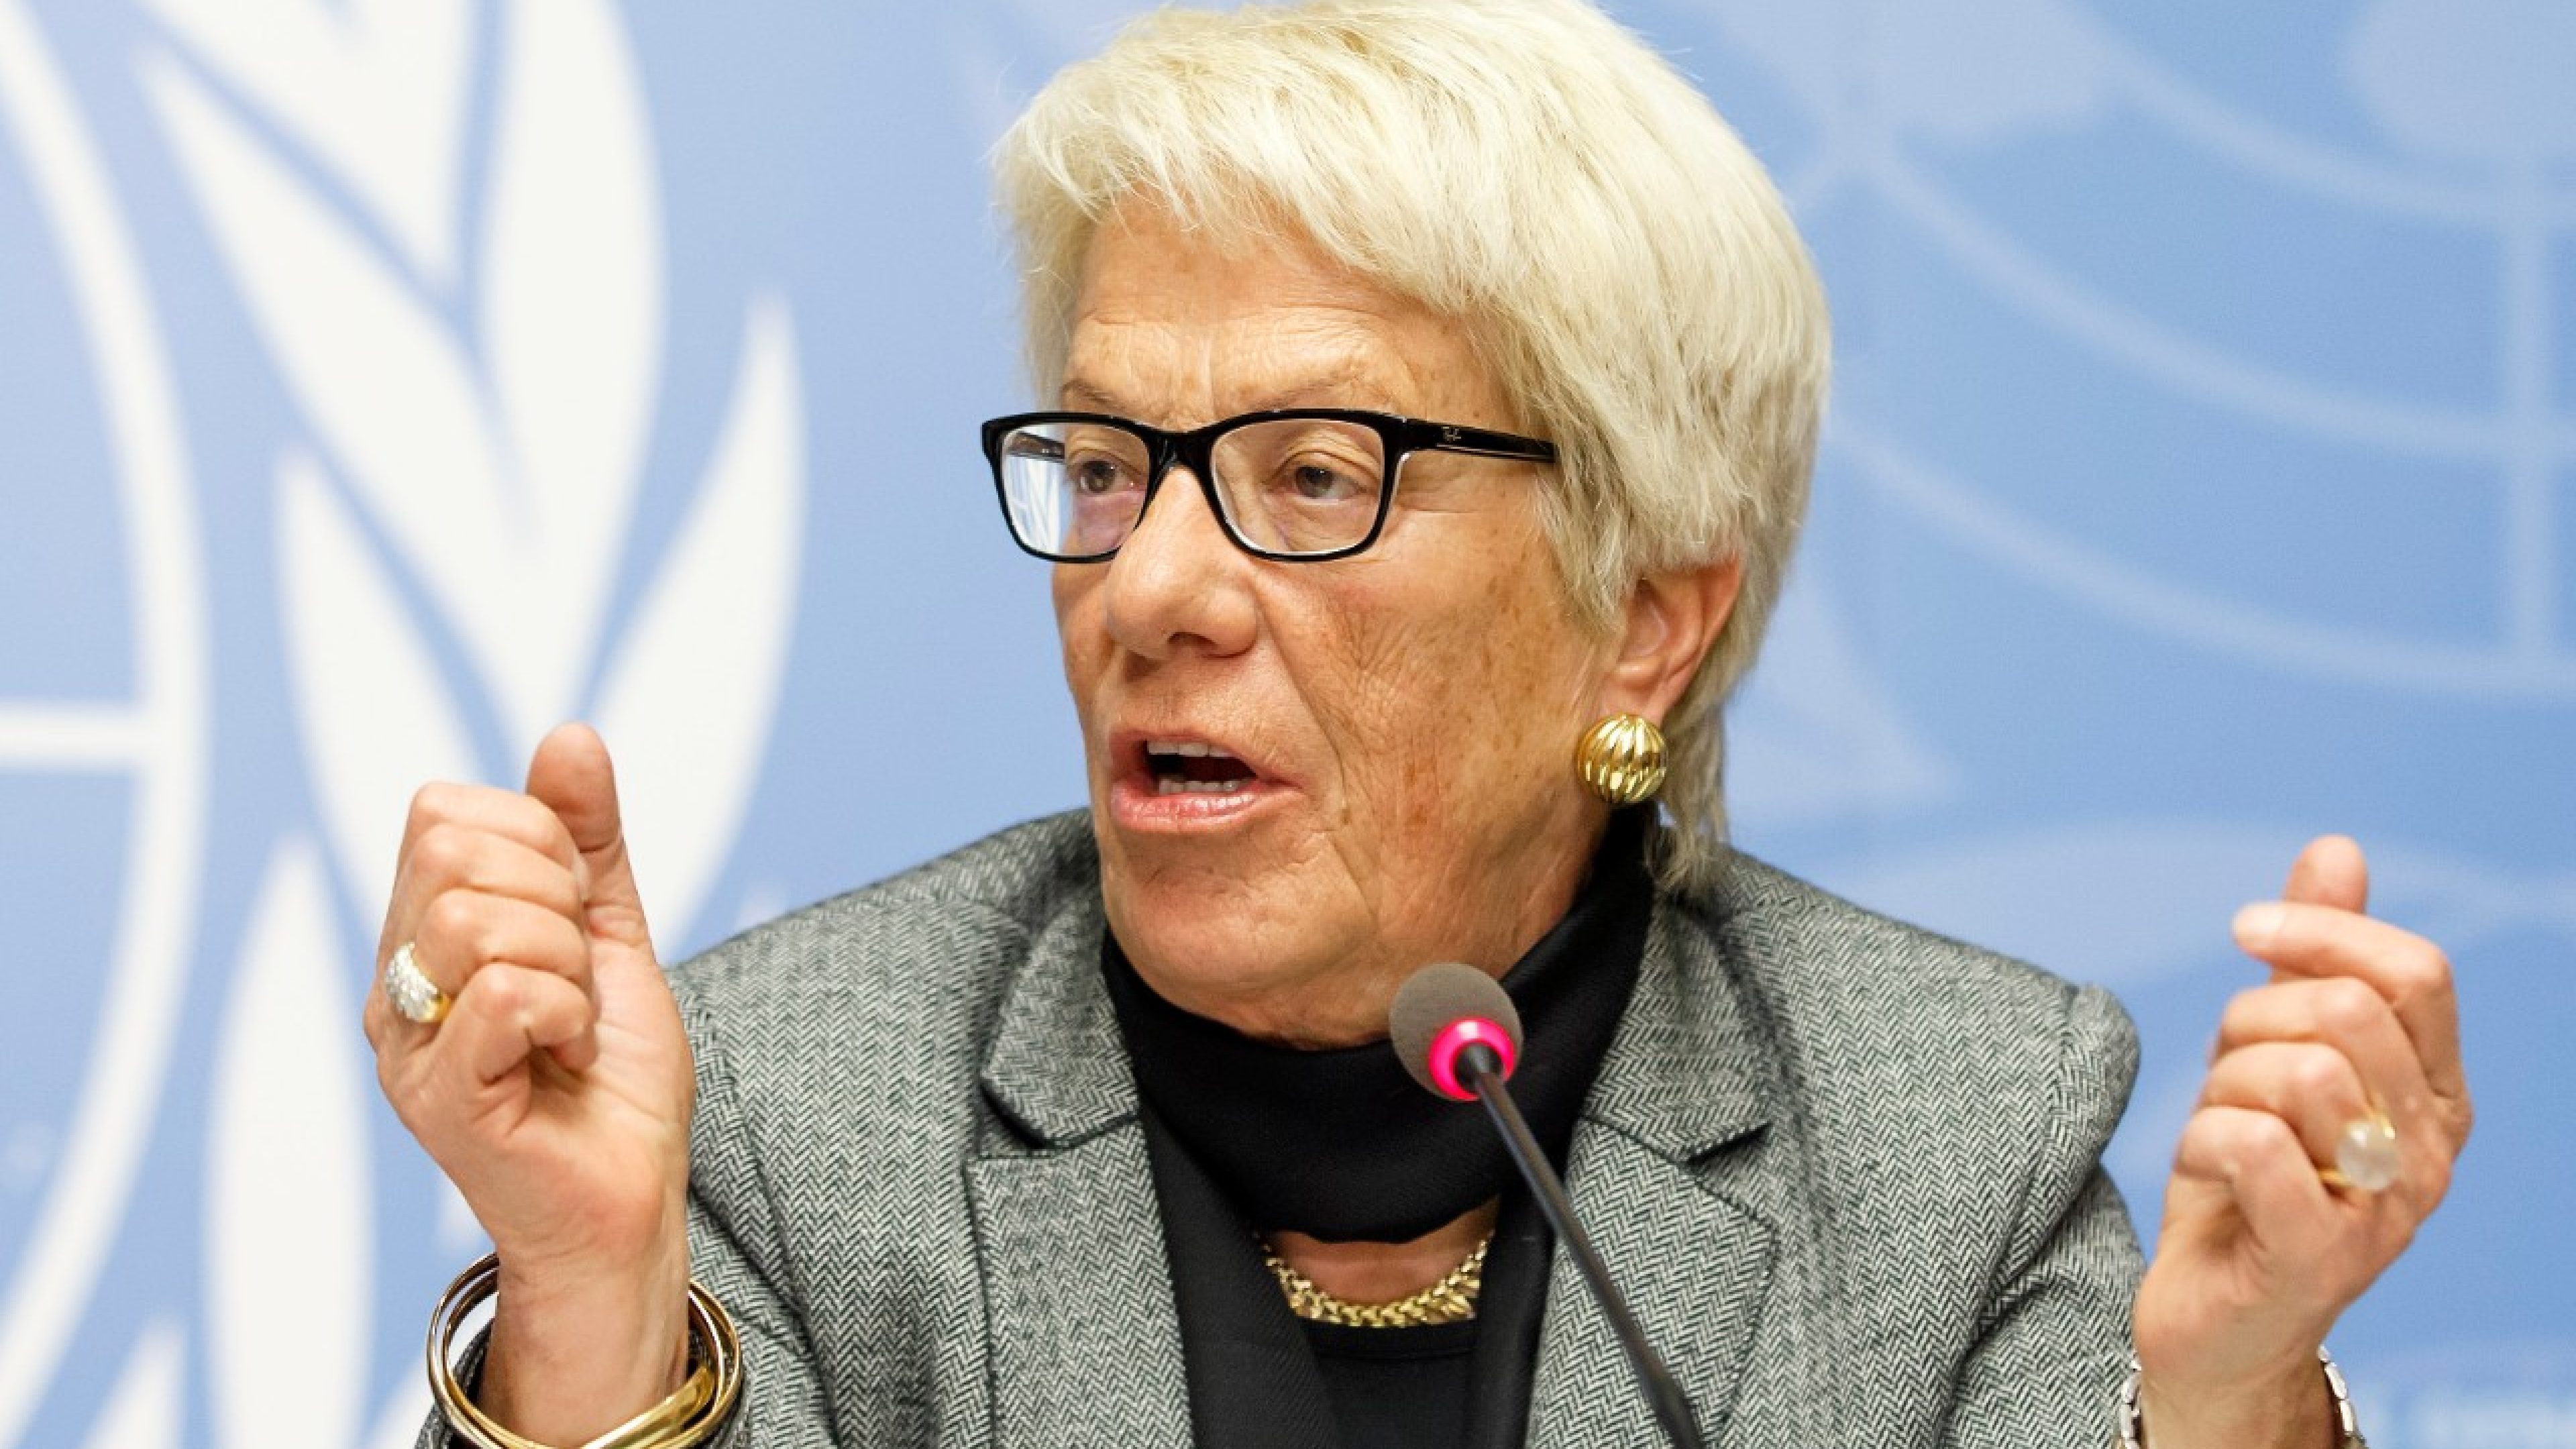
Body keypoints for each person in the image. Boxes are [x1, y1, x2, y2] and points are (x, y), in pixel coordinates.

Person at [369, 3, 2473, 1446]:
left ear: (1645, 617)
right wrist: (589, 1308)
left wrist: (2228, 1402)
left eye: (1311, 473)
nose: (1156, 588)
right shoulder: (788, 1110)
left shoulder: (1948, 1135)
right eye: (1108, 463)